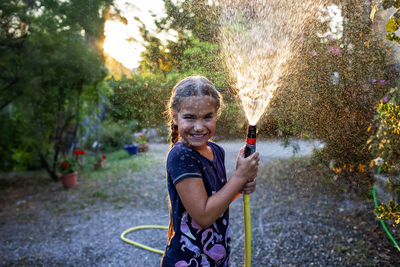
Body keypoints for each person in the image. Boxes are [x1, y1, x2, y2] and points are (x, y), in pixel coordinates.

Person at [161, 75, 259, 266]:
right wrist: (239, 177)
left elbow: (217, 198)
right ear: (175, 116)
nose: (199, 127)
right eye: (189, 117)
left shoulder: (216, 151)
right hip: (188, 261)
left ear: (217, 114)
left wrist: (240, 187)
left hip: (216, 258)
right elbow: (204, 215)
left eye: (207, 117)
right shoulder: (181, 156)